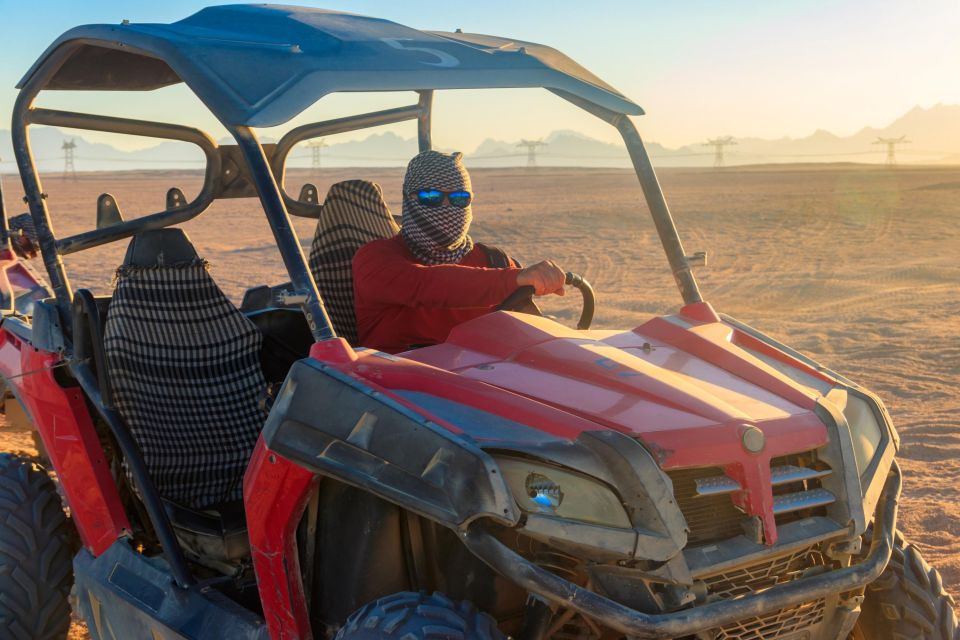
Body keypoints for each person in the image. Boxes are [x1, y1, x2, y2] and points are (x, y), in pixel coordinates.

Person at [352, 150, 566, 353]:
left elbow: (530, 330)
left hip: (479, 382)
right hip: (390, 385)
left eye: (459, 199)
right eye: (431, 197)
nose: (447, 207)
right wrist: (516, 277)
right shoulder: (374, 259)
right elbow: (428, 285)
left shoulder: (494, 261)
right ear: (408, 199)